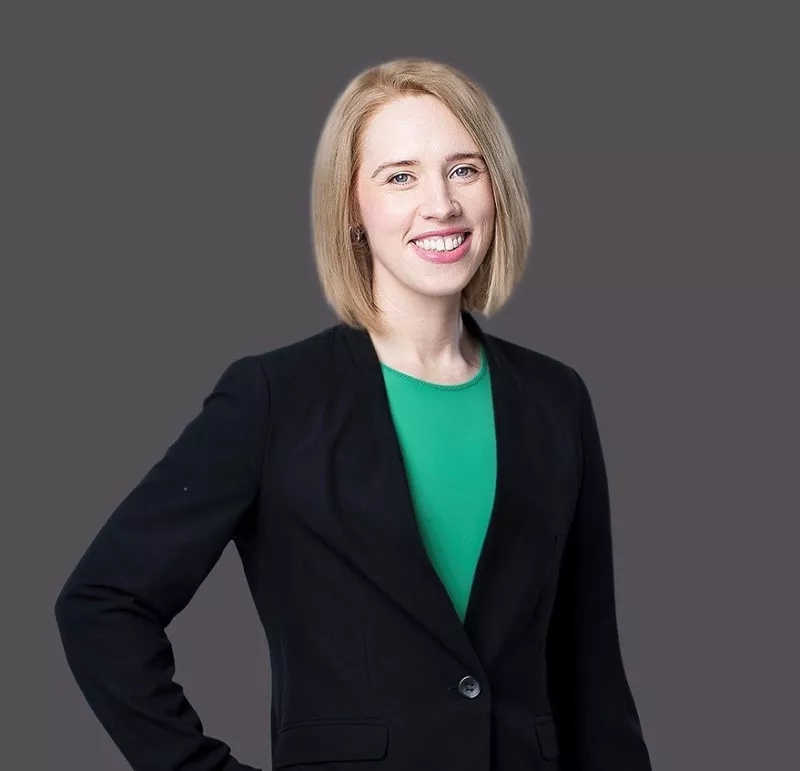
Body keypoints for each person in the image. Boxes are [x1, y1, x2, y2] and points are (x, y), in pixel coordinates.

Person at [55, 57, 653, 771]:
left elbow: (590, 670)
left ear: (497, 187)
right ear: (351, 208)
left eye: (464, 169)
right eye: (400, 176)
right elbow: (101, 605)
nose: (441, 204)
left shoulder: (555, 399)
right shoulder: (274, 398)